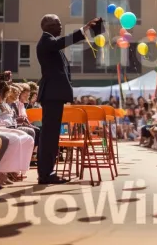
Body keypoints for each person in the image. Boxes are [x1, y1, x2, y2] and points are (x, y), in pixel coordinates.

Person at [36, 14, 102, 185]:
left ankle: (47, 172)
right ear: (48, 25)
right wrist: (84, 29)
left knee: (51, 135)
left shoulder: (51, 43)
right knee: (49, 136)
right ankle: (46, 173)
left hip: (54, 95)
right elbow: (62, 42)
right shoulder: (47, 41)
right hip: (51, 94)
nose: (60, 26)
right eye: (57, 24)